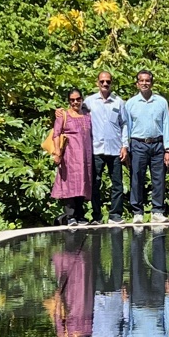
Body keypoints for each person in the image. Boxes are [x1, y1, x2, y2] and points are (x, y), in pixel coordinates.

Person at [124, 68, 169, 224]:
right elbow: (127, 126)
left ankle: (157, 211)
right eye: (142, 80)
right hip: (138, 144)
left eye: (148, 80)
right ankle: (137, 212)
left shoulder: (161, 102)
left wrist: (168, 148)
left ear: (152, 83)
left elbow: (167, 125)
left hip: (158, 144)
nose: (145, 83)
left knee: (158, 179)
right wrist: (126, 146)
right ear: (137, 83)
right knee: (137, 178)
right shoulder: (130, 103)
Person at [85, 71, 128, 223]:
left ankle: (115, 215)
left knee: (117, 184)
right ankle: (96, 216)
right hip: (96, 149)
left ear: (111, 83)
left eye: (108, 82)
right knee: (95, 184)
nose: (105, 84)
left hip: (115, 149)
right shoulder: (89, 102)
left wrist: (125, 145)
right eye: (102, 81)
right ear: (97, 82)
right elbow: (77, 115)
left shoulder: (119, 102)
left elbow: (124, 124)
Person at [50, 87, 94, 226]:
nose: (75, 102)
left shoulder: (87, 115)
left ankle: (80, 216)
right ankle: (70, 217)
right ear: (69, 101)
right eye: (72, 100)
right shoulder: (63, 116)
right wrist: (57, 153)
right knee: (69, 185)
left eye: (78, 99)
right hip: (69, 156)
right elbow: (56, 134)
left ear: (82, 99)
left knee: (82, 184)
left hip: (85, 157)